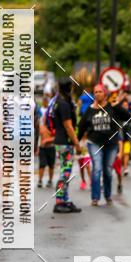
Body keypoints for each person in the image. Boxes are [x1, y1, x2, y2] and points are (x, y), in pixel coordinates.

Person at [77, 83, 123, 205]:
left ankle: (107, 195)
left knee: (108, 170)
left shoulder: (112, 107)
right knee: (96, 168)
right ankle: (95, 197)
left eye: (100, 91)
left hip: (111, 144)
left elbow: (127, 117)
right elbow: (81, 127)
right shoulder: (90, 109)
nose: (97, 94)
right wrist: (75, 143)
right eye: (95, 92)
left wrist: (118, 106)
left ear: (105, 94)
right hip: (94, 142)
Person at [52, 78, 82, 213]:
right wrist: (77, 143)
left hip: (61, 141)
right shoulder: (63, 104)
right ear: (69, 88)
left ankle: (65, 199)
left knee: (66, 173)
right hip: (65, 142)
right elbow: (68, 126)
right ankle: (59, 202)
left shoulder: (59, 102)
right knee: (65, 173)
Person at [37, 107, 56, 188]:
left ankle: (50, 180)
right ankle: (40, 180)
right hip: (42, 148)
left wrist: (47, 140)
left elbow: (56, 138)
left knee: (51, 165)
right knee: (42, 164)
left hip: (51, 148)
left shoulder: (54, 128)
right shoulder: (41, 127)